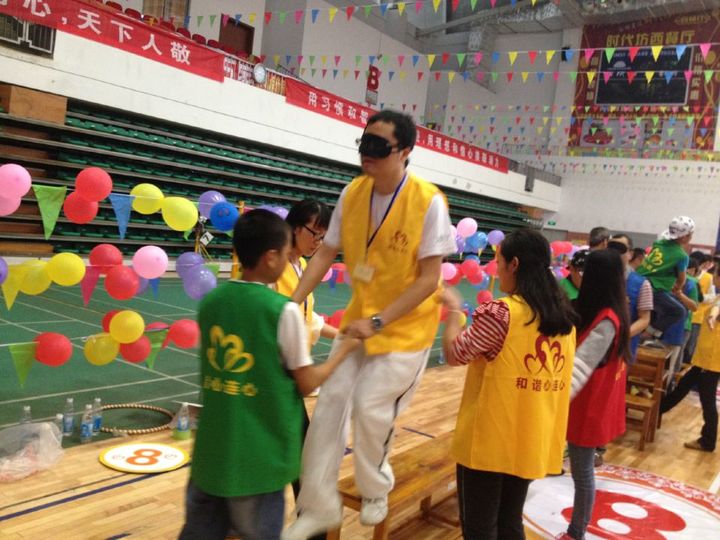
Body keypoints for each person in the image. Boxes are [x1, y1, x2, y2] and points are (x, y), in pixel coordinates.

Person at [282, 110, 456, 540]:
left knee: (370, 406)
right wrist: (291, 302)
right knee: (329, 406)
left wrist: (380, 320)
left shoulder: (428, 202)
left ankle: (376, 487)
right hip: (359, 322)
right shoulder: (353, 193)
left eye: (379, 146)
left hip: (406, 330)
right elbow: (325, 253)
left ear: (405, 151)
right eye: (364, 143)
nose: (368, 154)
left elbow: (429, 279)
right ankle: (317, 508)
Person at [179, 210, 358, 540]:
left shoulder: (211, 302)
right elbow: (306, 382)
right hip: (258, 459)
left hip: (211, 453)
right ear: (272, 256)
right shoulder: (282, 310)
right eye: (287, 249)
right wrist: (343, 352)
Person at [441, 228, 576, 540]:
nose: (496, 268)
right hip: (531, 438)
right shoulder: (564, 317)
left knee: (479, 529)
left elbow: (455, 354)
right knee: (509, 522)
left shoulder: (501, 312)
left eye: (499, 261)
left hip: (491, 441)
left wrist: (454, 314)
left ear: (514, 264)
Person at [559, 250, 631, 540]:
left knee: (582, 471)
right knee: (580, 468)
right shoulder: (600, 310)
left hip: (587, 405)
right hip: (582, 401)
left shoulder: (607, 318)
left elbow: (581, 365)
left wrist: (555, 400)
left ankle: (577, 531)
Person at [661, 267, 720, 453]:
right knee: (683, 386)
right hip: (705, 359)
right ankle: (656, 412)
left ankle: (708, 441)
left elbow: (716, 310)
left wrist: (712, 317)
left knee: (707, 399)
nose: (714, 277)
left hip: (711, 360)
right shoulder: (718, 296)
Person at [276, 199, 338, 351]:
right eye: (315, 234)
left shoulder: (303, 265)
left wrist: (342, 336)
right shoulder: (273, 265)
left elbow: (307, 317)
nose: (318, 242)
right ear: (296, 227)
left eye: (322, 237)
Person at [637, 216, 694, 343]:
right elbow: (682, 279)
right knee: (678, 311)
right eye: (691, 234)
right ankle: (647, 334)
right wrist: (677, 288)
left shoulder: (659, 243)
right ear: (684, 237)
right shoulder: (681, 255)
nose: (691, 237)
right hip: (653, 288)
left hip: (638, 281)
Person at [608, 234, 653, 363]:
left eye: (620, 249)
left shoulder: (642, 284)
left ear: (630, 254)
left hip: (622, 348)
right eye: (611, 248)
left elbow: (644, 319)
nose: (615, 253)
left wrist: (620, 336)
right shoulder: (597, 277)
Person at [685, 251, 715, 364]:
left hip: (697, 317)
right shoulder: (683, 275)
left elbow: (712, 297)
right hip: (684, 316)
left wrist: (700, 297)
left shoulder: (708, 277)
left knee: (690, 346)